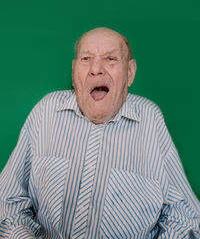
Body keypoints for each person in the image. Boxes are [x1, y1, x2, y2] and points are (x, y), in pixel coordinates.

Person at [0, 27, 200, 239]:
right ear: (74, 71)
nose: (96, 69)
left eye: (110, 58)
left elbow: (184, 218)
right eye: (86, 58)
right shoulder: (46, 111)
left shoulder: (150, 119)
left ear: (130, 73)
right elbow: (7, 200)